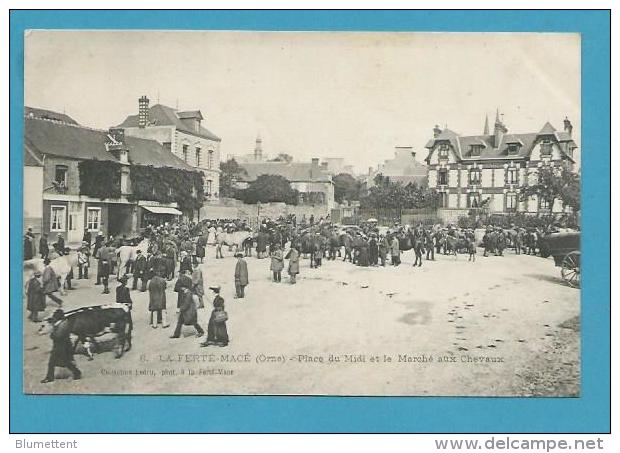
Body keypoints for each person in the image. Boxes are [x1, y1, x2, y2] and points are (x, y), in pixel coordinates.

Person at [40, 309, 81, 383]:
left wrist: (52, 334)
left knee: (56, 362)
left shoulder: (62, 325)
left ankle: (50, 377)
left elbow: (58, 336)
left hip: (62, 347)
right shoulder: (63, 323)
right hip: (62, 346)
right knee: (63, 362)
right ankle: (76, 372)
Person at [170, 269, 204, 339]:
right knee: (180, 322)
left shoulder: (188, 293)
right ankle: (176, 334)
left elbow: (187, 303)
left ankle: (201, 331)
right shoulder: (187, 289)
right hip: (187, 311)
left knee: (193, 322)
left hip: (189, 311)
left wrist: (180, 309)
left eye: (182, 288)